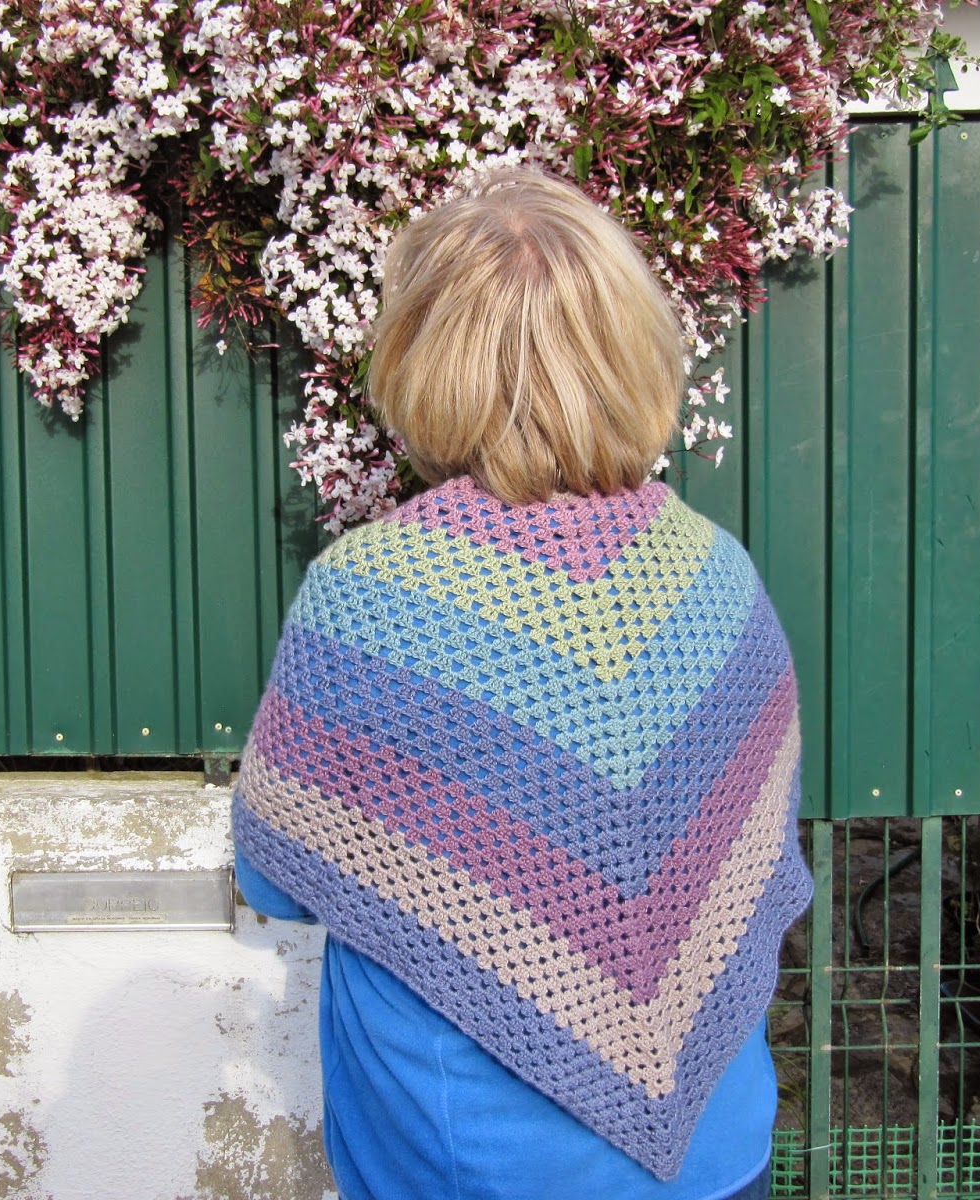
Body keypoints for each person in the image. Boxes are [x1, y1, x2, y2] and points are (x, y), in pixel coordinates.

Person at [232, 168, 811, 1200]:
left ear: (424, 357)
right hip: (716, 1155)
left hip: (465, 1160)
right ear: (633, 349)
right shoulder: (717, 577)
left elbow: (277, 880)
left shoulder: (370, 595)